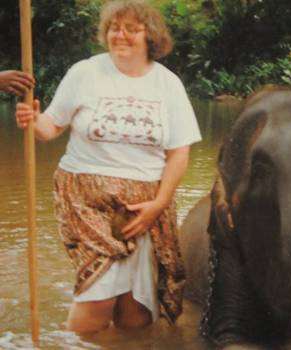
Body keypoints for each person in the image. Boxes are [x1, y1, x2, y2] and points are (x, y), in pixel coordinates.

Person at [15, 0, 201, 333]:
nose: (121, 35)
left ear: (150, 35)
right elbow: (50, 129)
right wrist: (33, 120)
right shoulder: (85, 72)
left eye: (132, 28)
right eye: (115, 27)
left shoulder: (168, 84)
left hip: (144, 207)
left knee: (136, 314)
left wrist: (158, 204)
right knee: (97, 297)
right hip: (86, 202)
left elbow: (179, 152)